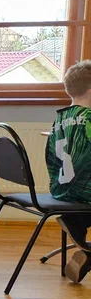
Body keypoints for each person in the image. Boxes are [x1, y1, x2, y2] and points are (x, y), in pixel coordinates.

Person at [46, 60, 91, 282]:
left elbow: (50, 159)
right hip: (85, 193)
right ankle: (80, 230)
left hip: (62, 190)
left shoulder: (59, 119)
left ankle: (79, 227)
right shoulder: (89, 118)